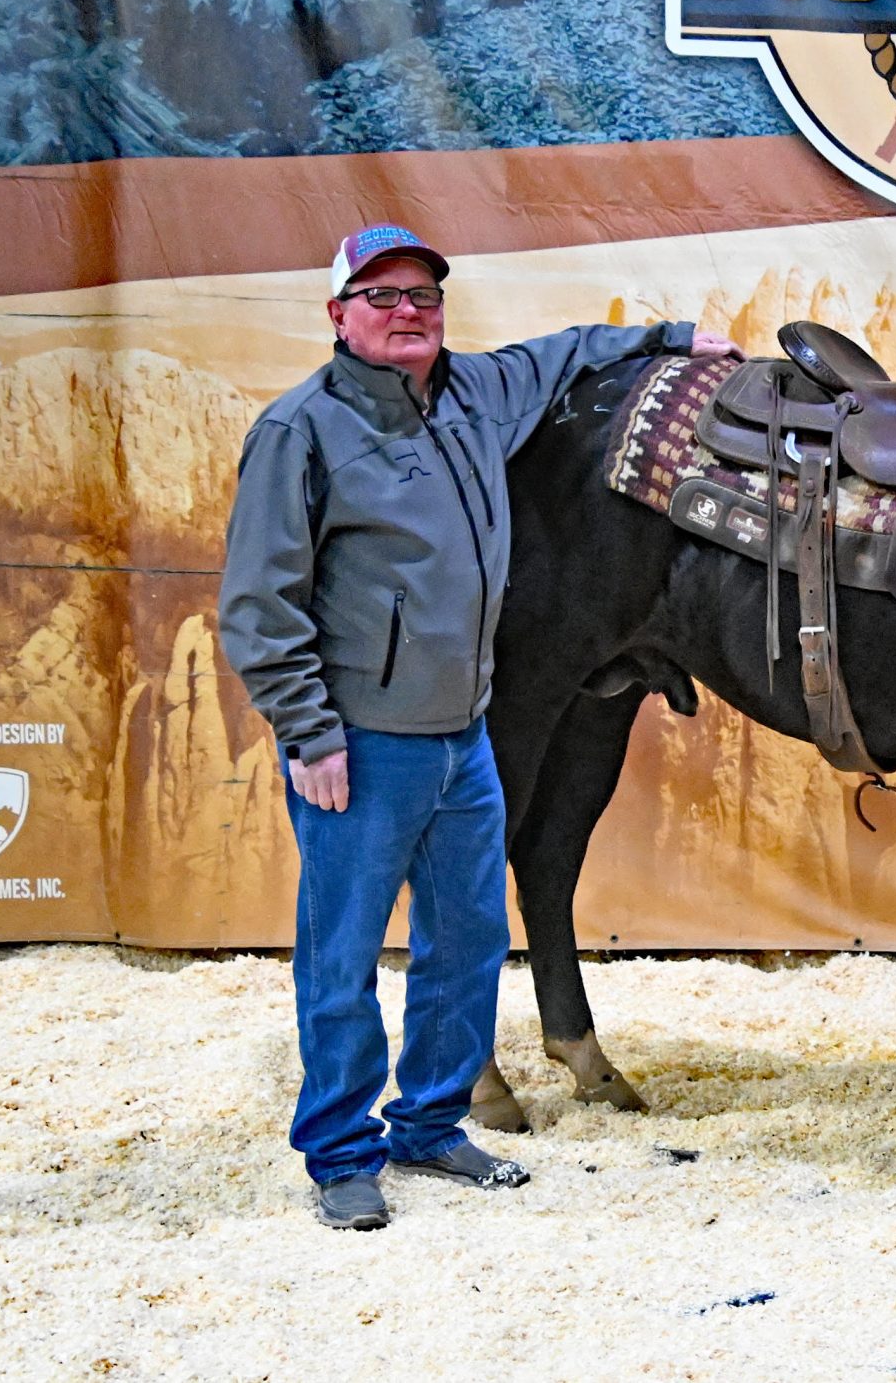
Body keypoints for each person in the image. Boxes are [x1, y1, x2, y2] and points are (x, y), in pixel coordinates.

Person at [218, 223, 737, 1230]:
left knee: (466, 942)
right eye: (380, 295)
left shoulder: (475, 392)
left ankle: (430, 1122)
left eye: (423, 294)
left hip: (464, 737)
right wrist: (307, 730)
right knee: (343, 956)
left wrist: (674, 336)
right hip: (360, 742)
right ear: (338, 315)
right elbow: (258, 604)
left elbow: (566, 352)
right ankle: (340, 1154)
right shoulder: (298, 432)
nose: (406, 311)